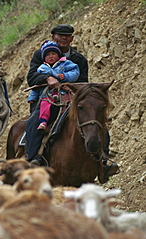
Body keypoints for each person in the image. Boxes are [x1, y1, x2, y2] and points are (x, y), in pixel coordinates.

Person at [25, 24, 119, 182]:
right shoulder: (40, 55)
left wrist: (72, 88)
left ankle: (103, 160)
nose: (63, 38)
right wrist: (47, 79)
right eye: (59, 35)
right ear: (53, 37)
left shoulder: (79, 59)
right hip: (48, 99)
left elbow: (84, 82)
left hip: (73, 99)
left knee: (97, 121)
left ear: (72, 39)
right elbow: (32, 77)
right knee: (34, 122)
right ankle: (34, 159)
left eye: (67, 35)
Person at [27, 40, 80, 133]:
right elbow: (35, 85)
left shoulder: (68, 63)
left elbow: (75, 72)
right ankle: (43, 123)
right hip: (48, 96)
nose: (51, 56)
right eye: (48, 55)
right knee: (44, 106)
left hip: (67, 93)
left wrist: (66, 77)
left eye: (53, 53)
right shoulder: (42, 68)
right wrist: (32, 98)